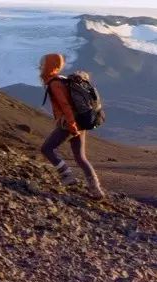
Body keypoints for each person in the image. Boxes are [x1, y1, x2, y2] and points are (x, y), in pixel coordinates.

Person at [38, 53, 104, 199]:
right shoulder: (62, 80)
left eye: (43, 63)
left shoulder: (55, 83)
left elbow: (66, 106)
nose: (40, 66)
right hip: (79, 123)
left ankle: (67, 178)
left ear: (51, 65)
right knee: (80, 158)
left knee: (47, 149)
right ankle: (96, 190)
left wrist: (71, 124)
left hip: (69, 124)